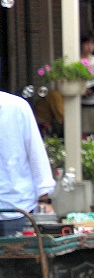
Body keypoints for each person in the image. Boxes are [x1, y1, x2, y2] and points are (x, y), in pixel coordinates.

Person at [0, 90, 55, 236]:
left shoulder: (17, 107)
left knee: (19, 257)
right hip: (18, 204)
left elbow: (35, 152)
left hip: (18, 208)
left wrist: (45, 200)